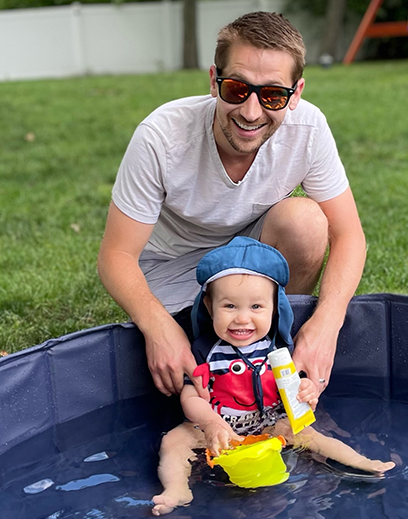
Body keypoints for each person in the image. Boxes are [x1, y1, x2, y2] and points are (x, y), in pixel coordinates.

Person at [97, 11, 366, 399]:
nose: (252, 112)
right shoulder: (161, 136)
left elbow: (348, 234)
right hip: (171, 271)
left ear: (297, 93)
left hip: (251, 249)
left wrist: (327, 323)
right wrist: (157, 327)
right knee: (187, 364)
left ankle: (274, 341)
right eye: (238, 89)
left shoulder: (308, 129)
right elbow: (116, 254)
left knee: (306, 220)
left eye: (273, 95)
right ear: (214, 81)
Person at [151, 237, 394, 516]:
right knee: (174, 441)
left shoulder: (276, 352)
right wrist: (209, 423)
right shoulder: (205, 352)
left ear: (275, 307)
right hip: (222, 430)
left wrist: (306, 390)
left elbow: (292, 387)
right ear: (208, 306)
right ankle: (177, 488)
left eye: (256, 307)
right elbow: (191, 394)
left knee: (312, 436)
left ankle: (360, 462)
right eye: (230, 306)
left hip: (270, 426)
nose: (242, 318)